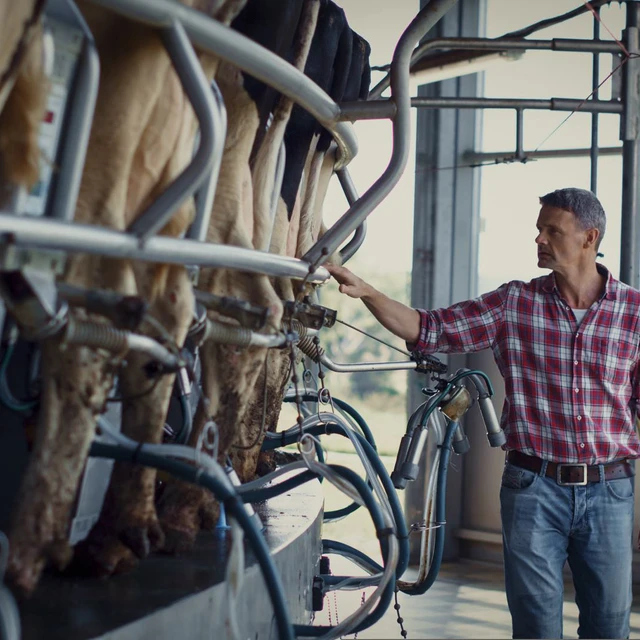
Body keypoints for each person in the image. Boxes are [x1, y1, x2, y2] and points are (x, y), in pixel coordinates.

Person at [327, 187, 639, 640]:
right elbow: (429, 328)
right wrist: (368, 293)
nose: (540, 240)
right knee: (534, 627)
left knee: (609, 626)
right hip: (533, 489)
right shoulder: (514, 303)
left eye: (553, 230)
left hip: (611, 491)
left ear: (590, 238)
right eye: (539, 230)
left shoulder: (633, 313)